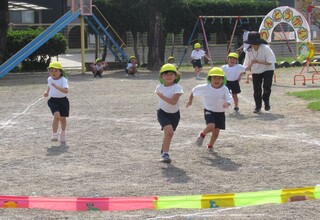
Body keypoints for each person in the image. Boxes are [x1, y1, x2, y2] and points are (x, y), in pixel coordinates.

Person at [186, 67, 233, 151]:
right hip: (209, 110)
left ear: (223, 79)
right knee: (211, 126)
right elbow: (194, 91)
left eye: (219, 78)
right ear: (209, 78)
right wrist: (190, 99)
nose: (217, 80)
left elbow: (229, 98)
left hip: (220, 113)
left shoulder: (224, 89)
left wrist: (228, 103)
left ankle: (210, 145)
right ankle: (202, 134)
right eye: (214, 78)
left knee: (216, 133)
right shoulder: (205, 87)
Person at [155, 63, 183, 163]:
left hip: (175, 114)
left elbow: (173, 101)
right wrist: (161, 95)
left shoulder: (178, 88)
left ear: (176, 76)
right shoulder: (159, 87)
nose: (168, 76)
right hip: (162, 113)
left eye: (171, 74)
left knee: (169, 134)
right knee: (169, 132)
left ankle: (164, 149)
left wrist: (161, 96)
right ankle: (165, 154)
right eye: (165, 74)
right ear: (161, 76)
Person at [243, 31, 276, 113]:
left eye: (255, 43)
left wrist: (257, 61)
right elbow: (246, 66)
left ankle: (266, 100)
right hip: (256, 71)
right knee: (257, 89)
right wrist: (245, 72)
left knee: (267, 87)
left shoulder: (266, 48)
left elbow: (270, 62)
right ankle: (258, 106)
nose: (253, 45)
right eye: (252, 43)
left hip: (268, 69)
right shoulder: (249, 51)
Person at [43, 61, 70, 143]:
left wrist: (57, 87)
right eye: (51, 71)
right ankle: (54, 134)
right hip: (53, 100)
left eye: (56, 71)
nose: (53, 73)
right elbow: (49, 86)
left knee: (63, 119)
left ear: (60, 72)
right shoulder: (49, 79)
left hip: (63, 101)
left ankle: (63, 133)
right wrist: (47, 92)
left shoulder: (63, 80)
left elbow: (66, 91)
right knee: (57, 116)